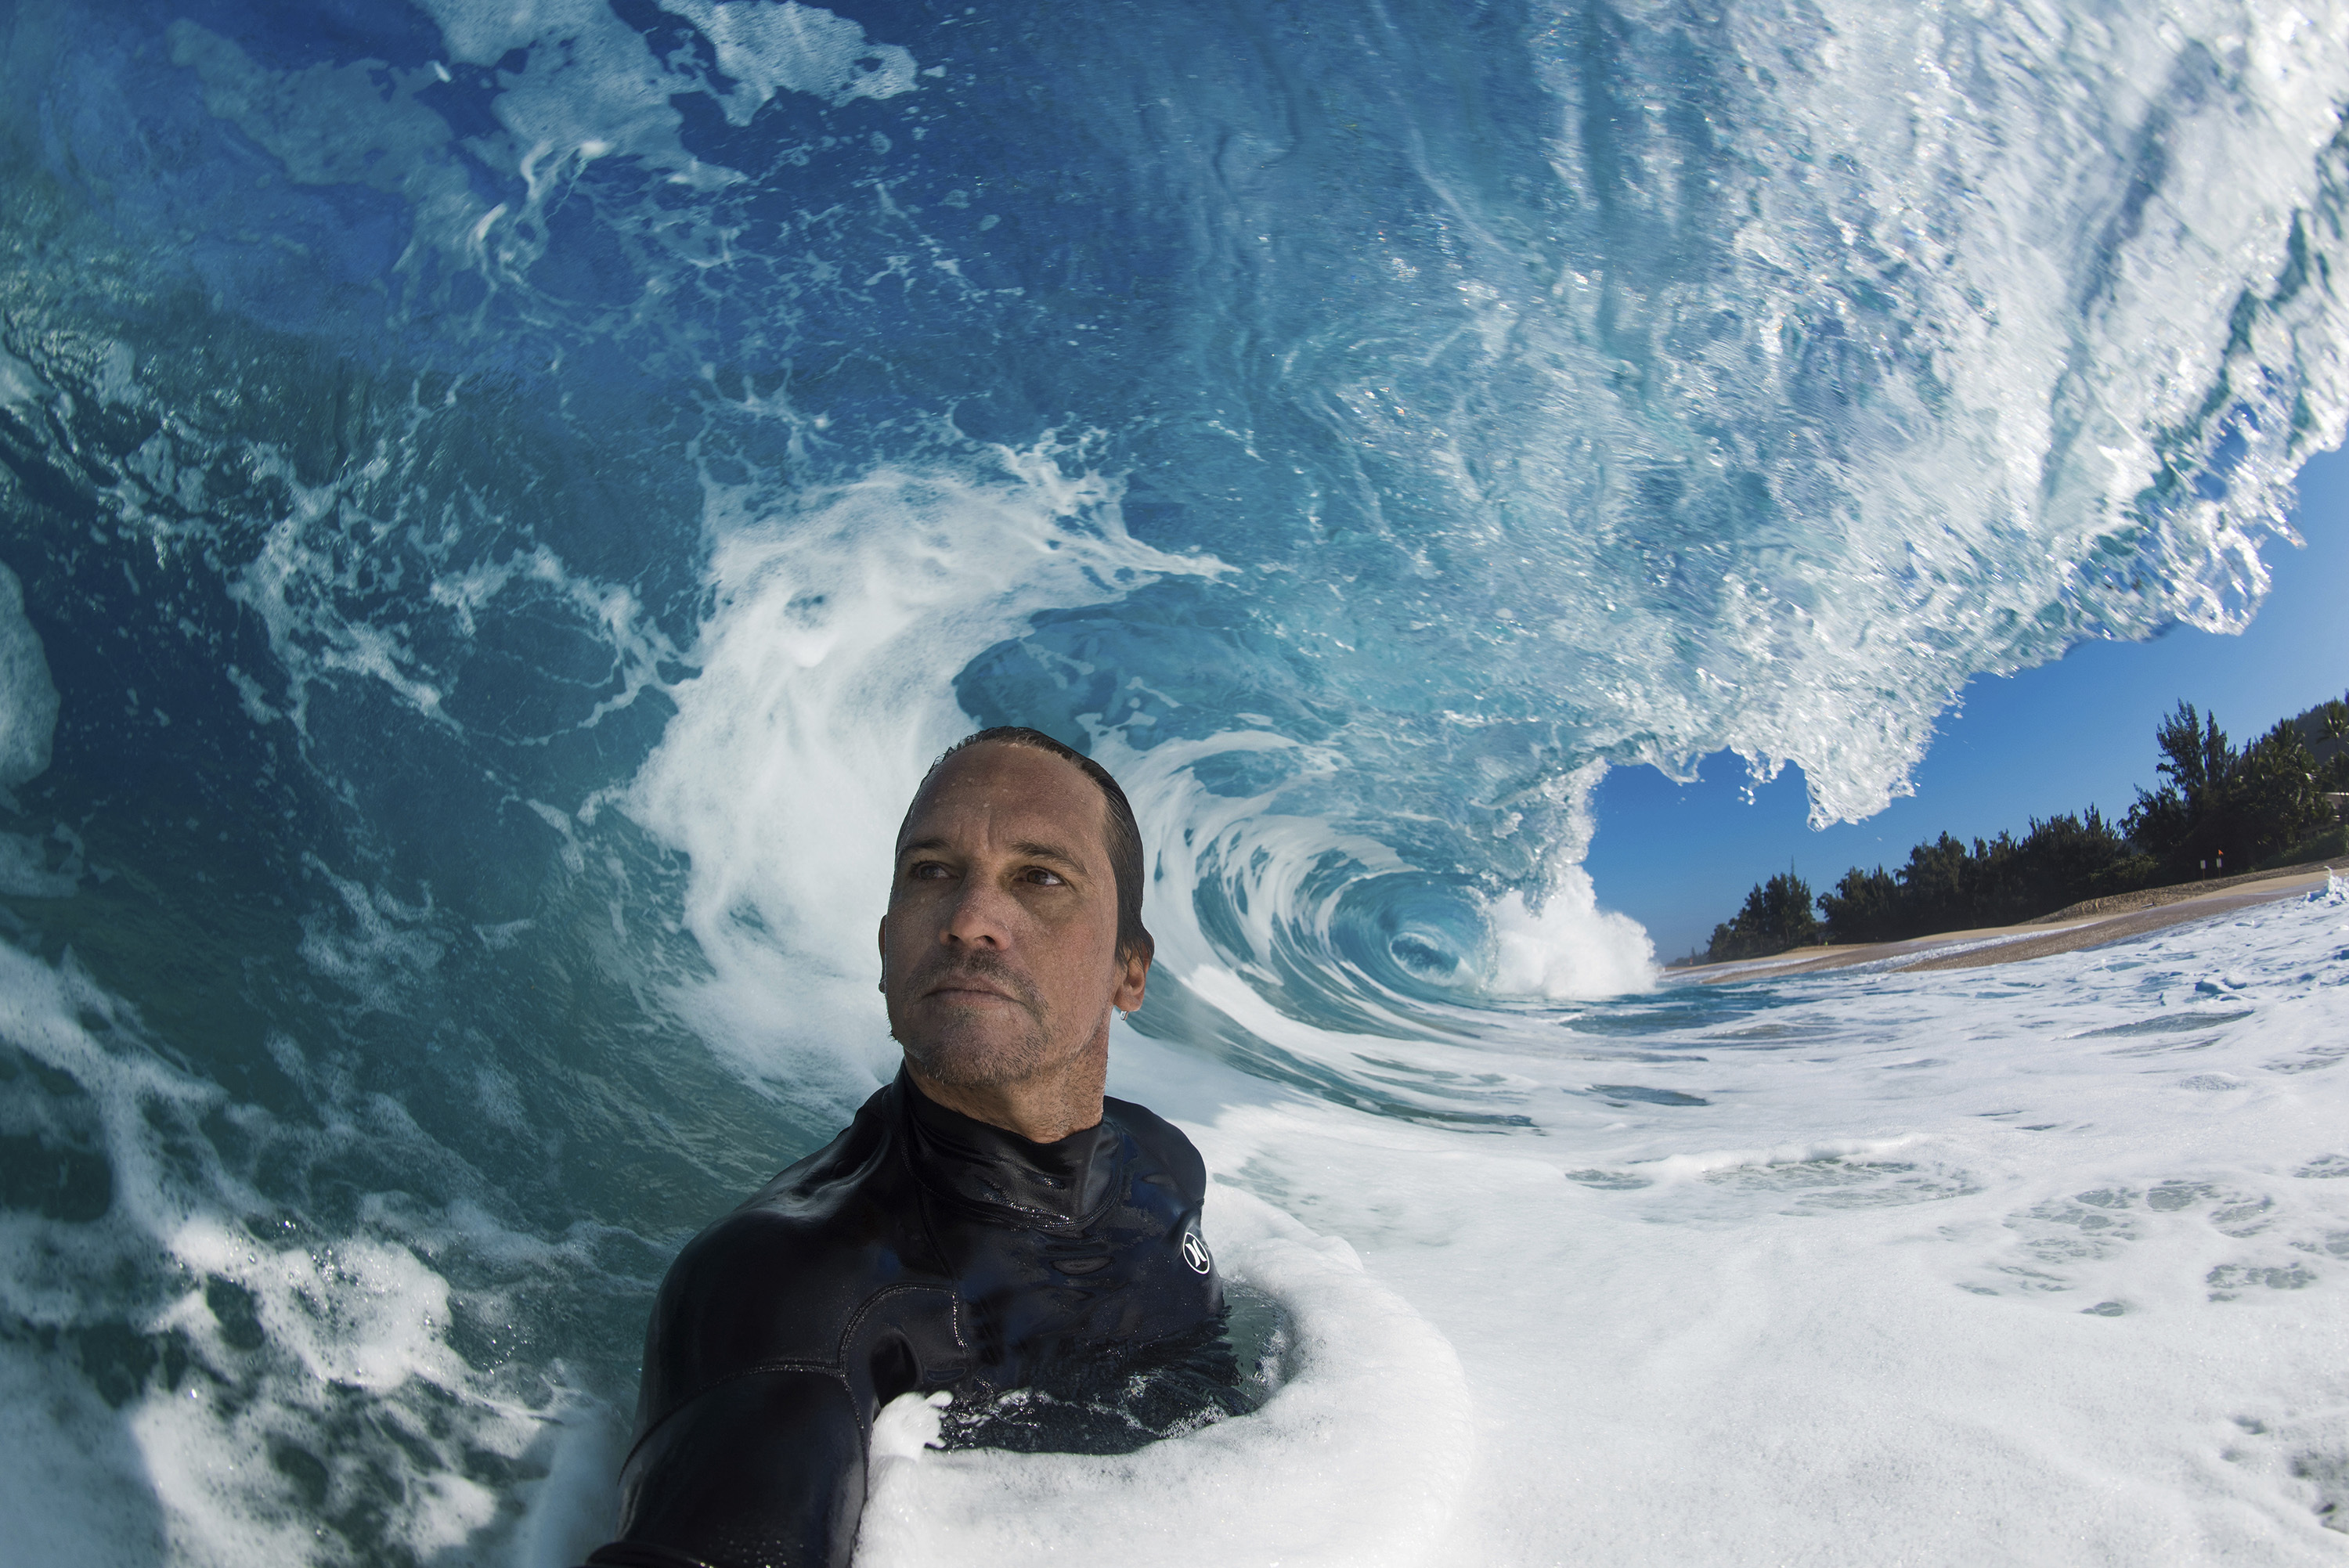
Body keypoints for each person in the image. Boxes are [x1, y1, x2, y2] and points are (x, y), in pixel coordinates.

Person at [585, 728, 1221, 1568]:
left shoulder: (1162, 1166)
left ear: (1128, 971)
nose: (970, 920)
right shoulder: (793, 1297)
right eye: (932, 872)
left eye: (1039, 876)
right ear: (887, 946)